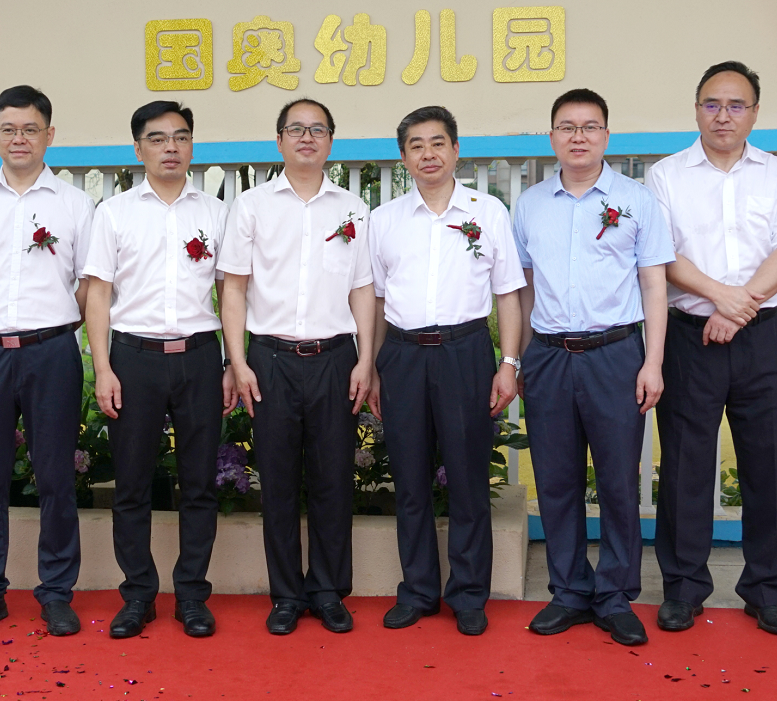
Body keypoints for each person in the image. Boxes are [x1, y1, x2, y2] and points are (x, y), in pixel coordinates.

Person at [646, 61, 777, 636]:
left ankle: (766, 590)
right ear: (696, 109)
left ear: (755, 113)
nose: (724, 115)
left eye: (736, 105)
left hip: (762, 338)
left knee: (769, 467)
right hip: (690, 338)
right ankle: (683, 588)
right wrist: (724, 299)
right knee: (685, 467)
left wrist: (740, 309)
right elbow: (662, 254)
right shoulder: (666, 175)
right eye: (712, 104)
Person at [513, 88, 673, 647]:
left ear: (606, 134)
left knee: (618, 480)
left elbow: (654, 284)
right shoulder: (530, 205)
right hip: (549, 355)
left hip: (616, 354)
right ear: (552, 136)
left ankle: (615, 595)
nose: (578, 136)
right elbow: (525, 288)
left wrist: (653, 362)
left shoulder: (637, 201)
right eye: (567, 126)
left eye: (589, 126)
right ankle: (569, 591)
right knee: (555, 479)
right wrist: (521, 357)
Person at [218, 98, 375, 636]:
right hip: (270, 361)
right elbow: (233, 289)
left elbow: (362, 289)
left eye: (318, 129)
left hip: (335, 359)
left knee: (333, 478)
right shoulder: (252, 206)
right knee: (279, 481)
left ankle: (327, 590)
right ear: (279, 140)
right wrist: (238, 361)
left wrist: (366, 360)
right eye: (296, 129)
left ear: (331, 141)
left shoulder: (352, 208)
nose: (307, 137)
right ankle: (285, 594)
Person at [369, 106, 525, 636]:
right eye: (416, 145)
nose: (428, 154)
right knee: (409, 479)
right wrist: (374, 367)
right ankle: (417, 591)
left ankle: (468, 593)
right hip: (403, 356)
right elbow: (377, 300)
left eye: (438, 143)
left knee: (467, 478)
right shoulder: (385, 220)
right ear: (403, 157)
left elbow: (508, 293)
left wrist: (508, 363)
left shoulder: (488, 211)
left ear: (456, 150)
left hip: (465, 352)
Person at [0, 85, 95, 638]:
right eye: (8, 129)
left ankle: (56, 592)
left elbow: (88, 284)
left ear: (49, 135)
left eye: (30, 129)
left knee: (55, 477)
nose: (19, 139)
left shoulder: (74, 204)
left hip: (51, 353)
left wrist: (53, 327)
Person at [84, 101, 233, 640]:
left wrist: (231, 363)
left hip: (199, 357)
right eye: (158, 138)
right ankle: (138, 595)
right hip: (133, 359)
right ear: (138, 148)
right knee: (131, 484)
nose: (171, 147)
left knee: (199, 484)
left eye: (181, 137)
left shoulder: (216, 213)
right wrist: (103, 368)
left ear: (192, 146)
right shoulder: (114, 213)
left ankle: (192, 594)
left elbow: (230, 293)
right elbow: (97, 295)